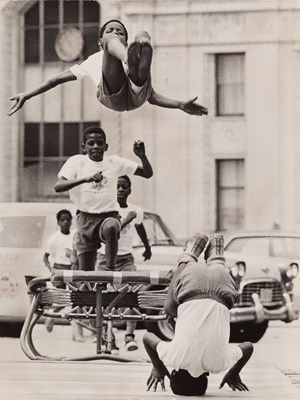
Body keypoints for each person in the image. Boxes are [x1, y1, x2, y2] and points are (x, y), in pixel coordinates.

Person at [8, 19, 208, 116]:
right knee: (126, 59)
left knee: (143, 35)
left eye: (120, 32)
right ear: (99, 41)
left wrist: (180, 104)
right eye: (110, 31)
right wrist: (27, 94)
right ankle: (132, 59)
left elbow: (152, 97)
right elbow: (54, 80)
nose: (115, 32)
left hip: (137, 93)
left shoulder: (119, 47)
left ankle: (141, 49)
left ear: (125, 40)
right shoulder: (93, 60)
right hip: (112, 96)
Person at [143, 233, 254, 396]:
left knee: (217, 271)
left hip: (224, 284)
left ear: (207, 376)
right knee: (169, 311)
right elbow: (147, 337)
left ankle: (216, 255)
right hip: (191, 280)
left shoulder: (219, 364)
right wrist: (158, 366)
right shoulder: (173, 358)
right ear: (175, 372)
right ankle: (189, 255)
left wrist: (233, 372)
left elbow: (248, 346)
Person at [54, 126, 153, 272]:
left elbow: (147, 173)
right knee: (86, 274)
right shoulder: (77, 162)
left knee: (112, 227)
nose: (96, 147)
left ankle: (110, 269)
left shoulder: (114, 162)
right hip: (85, 218)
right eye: (91, 143)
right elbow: (58, 186)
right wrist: (85, 179)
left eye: (100, 143)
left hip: (108, 216)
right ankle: (89, 289)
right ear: (84, 147)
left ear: (106, 146)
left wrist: (142, 156)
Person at [96, 175, 152, 352]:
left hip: (126, 258)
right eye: (117, 187)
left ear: (129, 190)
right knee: (102, 297)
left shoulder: (136, 210)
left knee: (132, 293)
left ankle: (129, 336)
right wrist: (127, 218)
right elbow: (108, 234)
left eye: (124, 187)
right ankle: (108, 337)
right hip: (105, 259)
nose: (120, 190)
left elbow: (140, 226)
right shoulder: (106, 210)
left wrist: (147, 247)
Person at [43, 209, 84, 342]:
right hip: (59, 269)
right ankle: (51, 316)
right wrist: (51, 270)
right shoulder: (54, 238)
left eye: (68, 219)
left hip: (72, 270)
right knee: (61, 299)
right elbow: (46, 257)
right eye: (63, 220)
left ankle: (77, 332)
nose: (66, 222)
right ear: (58, 222)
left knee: (76, 300)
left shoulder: (74, 235)